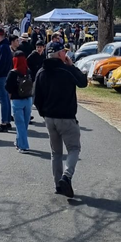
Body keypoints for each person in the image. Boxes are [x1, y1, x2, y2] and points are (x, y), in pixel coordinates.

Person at [34, 41, 88, 198]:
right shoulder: (66, 70)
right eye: (64, 52)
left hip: (49, 118)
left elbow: (37, 98)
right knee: (74, 148)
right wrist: (72, 66)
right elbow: (83, 82)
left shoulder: (41, 72)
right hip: (66, 117)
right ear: (59, 54)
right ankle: (67, 176)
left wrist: (43, 113)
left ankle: (58, 184)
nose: (66, 54)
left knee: (56, 152)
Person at [6, 51, 33, 153]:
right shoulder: (28, 71)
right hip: (28, 99)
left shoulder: (13, 73)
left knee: (19, 124)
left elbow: (8, 87)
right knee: (24, 124)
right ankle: (18, 142)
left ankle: (23, 146)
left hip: (17, 100)